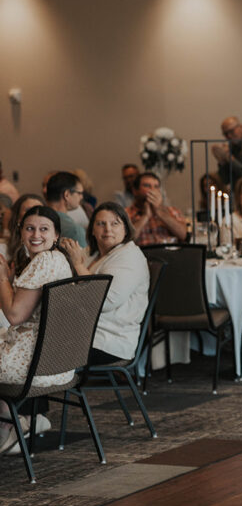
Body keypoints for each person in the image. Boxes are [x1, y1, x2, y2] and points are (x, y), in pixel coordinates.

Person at [0, 206, 75, 454]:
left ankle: (8, 428)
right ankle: (16, 419)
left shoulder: (43, 262)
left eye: (44, 229)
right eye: (30, 228)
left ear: (56, 236)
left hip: (35, 366)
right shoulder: (57, 259)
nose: (36, 235)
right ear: (21, 232)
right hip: (58, 361)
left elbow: (14, 315)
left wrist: (2, 278)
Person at [59, 202, 149, 364]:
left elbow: (105, 301)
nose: (108, 230)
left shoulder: (129, 257)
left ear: (126, 229)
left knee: (41, 347)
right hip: (84, 333)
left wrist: (78, 265)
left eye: (115, 224)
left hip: (108, 341)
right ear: (92, 230)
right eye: (101, 224)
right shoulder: (94, 254)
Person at [128, 172, 188, 246]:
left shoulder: (172, 210)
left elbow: (184, 236)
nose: (153, 190)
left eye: (156, 186)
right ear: (135, 191)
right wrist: (145, 216)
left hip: (169, 254)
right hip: (142, 255)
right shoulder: (126, 213)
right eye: (147, 186)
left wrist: (160, 212)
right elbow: (126, 241)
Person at [44, 171, 88, 248]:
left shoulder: (36, 218)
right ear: (67, 195)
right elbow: (82, 259)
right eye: (79, 193)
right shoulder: (74, 230)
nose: (81, 197)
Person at [5, 193, 45, 261]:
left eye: (39, 210)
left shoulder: (53, 252)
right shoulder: (3, 249)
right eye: (28, 210)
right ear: (18, 218)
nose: (35, 214)